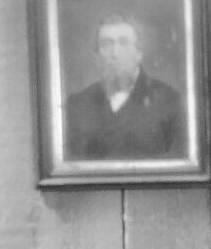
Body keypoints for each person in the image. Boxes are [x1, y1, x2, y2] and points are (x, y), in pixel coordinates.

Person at [64, 13, 186, 160]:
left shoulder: (169, 101)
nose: (115, 53)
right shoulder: (78, 104)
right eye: (107, 44)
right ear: (97, 56)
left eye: (124, 43)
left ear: (139, 53)